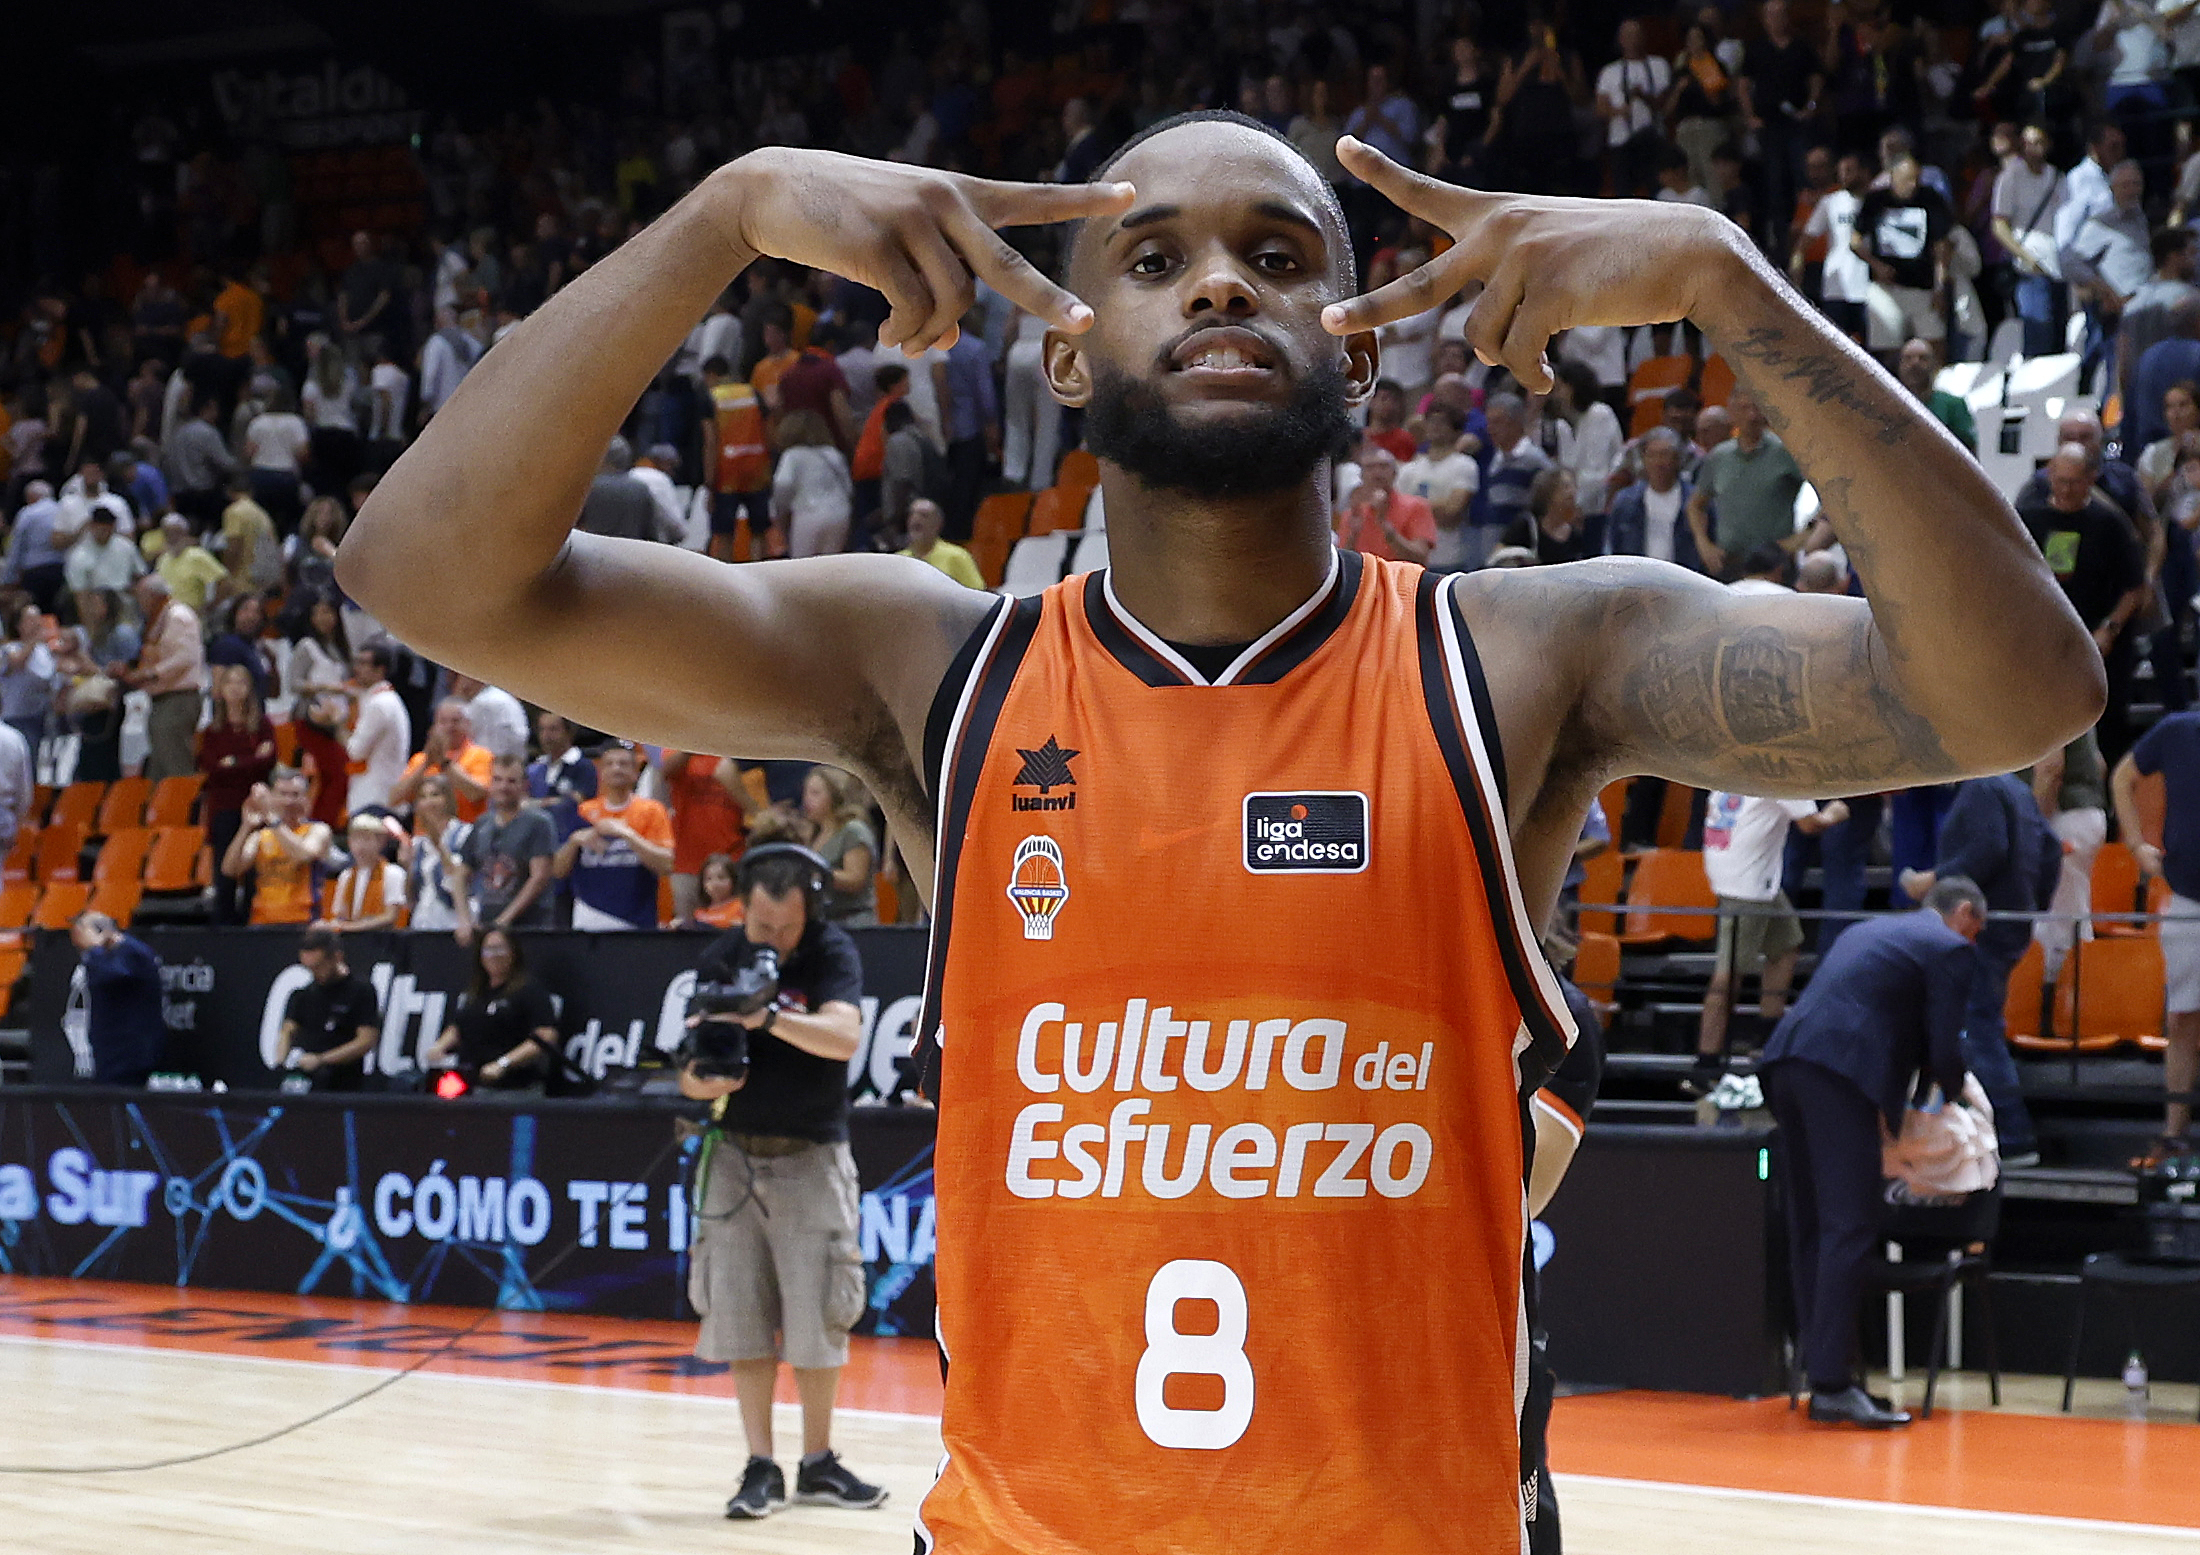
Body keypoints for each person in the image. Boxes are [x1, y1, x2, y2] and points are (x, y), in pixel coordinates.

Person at [335, 117, 2101, 1547]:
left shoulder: (1530, 653)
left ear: (1360, 330)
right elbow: (421, 572)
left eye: (1279, 252)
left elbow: (2017, 694)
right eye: (1155, 257)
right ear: (1073, 352)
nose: (1220, 287)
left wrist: (1733, 287)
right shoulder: (927, 667)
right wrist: (721, 215)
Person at [678, 845, 883, 1517]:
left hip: (811, 1154)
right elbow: (688, 1074)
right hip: (733, 1153)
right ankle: (759, 1463)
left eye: (784, 927)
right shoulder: (720, 957)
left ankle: (819, 1460)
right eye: (760, 925)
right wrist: (709, 1074)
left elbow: (844, 1036)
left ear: (811, 909)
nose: (770, 938)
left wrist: (765, 1016)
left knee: (820, 1309)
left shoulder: (830, 952)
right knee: (739, 1313)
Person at [1759, 877, 1986, 1429]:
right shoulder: (1949, 947)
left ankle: (1821, 1371)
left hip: (1785, 1061)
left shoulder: (1873, 929)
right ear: (1961, 914)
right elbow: (1941, 1044)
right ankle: (1833, 1385)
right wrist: (1960, 1097)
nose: (1973, 943)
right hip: (1838, 1073)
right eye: (1976, 930)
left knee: (1811, 1227)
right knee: (1851, 1225)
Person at [1900, 771, 2061, 1165]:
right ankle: (1993, 1132)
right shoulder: (2018, 789)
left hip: (1981, 926)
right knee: (1980, 1025)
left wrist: (1933, 881)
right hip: (2010, 921)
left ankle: (2013, 1135)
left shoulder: (1981, 788)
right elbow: (2052, 850)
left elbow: (1986, 849)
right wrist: (2032, 906)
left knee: (1978, 1027)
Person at [1691, 790, 1849, 1091]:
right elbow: (1810, 824)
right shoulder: (1779, 774)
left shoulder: (1733, 767)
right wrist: (1835, 813)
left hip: (1743, 875)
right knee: (1728, 976)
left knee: (1786, 944)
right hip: (1747, 886)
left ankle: (1768, 1036)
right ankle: (1706, 1063)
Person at [2015, 445, 2148, 764]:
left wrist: (2110, 628)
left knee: (2106, 724)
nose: (2064, 490)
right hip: (2045, 643)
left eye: (2073, 482)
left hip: (2097, 643)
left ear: (2091, 480)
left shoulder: (2110, 524)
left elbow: (2134, 587)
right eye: (2058, 481)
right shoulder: (2029, 518)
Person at [2115, 712, 2200, 1146]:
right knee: (2182, 1019)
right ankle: (2175, 1131)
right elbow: (2122, 777)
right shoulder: (2177, 730)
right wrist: (2135, 845)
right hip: (2188, 899)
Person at [1685, 388, 1810, 576]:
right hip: (1729, 565)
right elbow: (1695, 505)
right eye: (1744, 408)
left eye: (1757, 408)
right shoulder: (1719, 456)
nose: (1752, 416)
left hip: (1773, 567)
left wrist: (1803, 538)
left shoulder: (1786, 452)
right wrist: (1704, 544)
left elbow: (1828, 498)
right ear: (1732, 411)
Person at [556, 742, 675, 930]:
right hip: (589, 916)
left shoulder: (651, 811)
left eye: (623, 764)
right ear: (600, 772)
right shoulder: (583, 812)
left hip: (637, 919)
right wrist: (574, 841)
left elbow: (667, 864)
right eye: (609, 764)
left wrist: (628, 835)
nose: (616, 769)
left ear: (636, 772)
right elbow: (557, 871)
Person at [427, 927, 560, 1089]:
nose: (494, 956)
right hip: (470, 1082)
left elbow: (546, 1036)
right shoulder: (476, 994)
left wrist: (503, 1063)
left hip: (515, 1086)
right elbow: (458, 1026)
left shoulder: (530, 991)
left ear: (513, 953)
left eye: (500, 949)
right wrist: (439, 1046)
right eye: (488, 950)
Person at [198, 663, 279, 925]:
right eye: (229, 682)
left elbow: (267, 763)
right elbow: (211, 768)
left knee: (256, 868)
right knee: (225, 870)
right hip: (223, 806)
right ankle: (224, 927)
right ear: (220, 690)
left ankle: (252, 922)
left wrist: (233, 763)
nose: (235, 688)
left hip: (256, 804)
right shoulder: (213, 731)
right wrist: (250, 761)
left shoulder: (262, 726)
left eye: (241, 682)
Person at [460, 756, 559, 941]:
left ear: (524, 785)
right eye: (497, 780)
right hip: (488, 922)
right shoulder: (482, 823)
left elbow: (540, 877)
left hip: (530, 927)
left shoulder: (539, 822)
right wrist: (464, 919)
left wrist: (503, 921)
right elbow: (460, 873)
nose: (503, 787)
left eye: (511, 781)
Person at [222, 769, 334, 927]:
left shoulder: (318, 830)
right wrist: (245, 827)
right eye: (282, 794)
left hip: (303, 921)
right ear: (273, 797)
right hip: (263, 921)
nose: (288, 801)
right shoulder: (261, 836)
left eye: (295, 795)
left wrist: (273, 818)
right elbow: (230, 870)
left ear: (305, 798)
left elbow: (302, 855)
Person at [121, 573, 204, 782]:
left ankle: (184, 813)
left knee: (177, 768)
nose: (139, 604)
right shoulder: (159, 619)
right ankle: (160, 812)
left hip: (178, 699)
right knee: (159, 772)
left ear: (154, 596)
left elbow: (187, 656)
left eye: (141, 597)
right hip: (162, 700)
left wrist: (151, 673)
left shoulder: (178, 616)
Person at [276, 927, 380, 1091]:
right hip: (305, 1082)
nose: (314, 973)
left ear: (337, 957)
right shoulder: (302, 995)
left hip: (343, 1083)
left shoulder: (361, 990)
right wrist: (281, 1063)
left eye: (318, 967)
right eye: (308, 967)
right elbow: (287, 1031)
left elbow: (366, 1040)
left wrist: (322, 1059)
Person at [70, 911, 167, 1086]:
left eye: (82, 931)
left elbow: (111, 976)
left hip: (129, 1053)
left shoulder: (132, 952)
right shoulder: (110, 955)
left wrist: (94, 949)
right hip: (111, 1053)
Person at [665, 750, 751, 921]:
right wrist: (694, 744)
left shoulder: (740, 757)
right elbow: (665, 770)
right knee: (686, 930)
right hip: (686, 864)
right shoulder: (683, 751)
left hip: (731, 861)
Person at [390, 699, 494, 823]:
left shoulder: (482, 756)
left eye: (455, 721)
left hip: (467, 833)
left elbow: (476, 794)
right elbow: (394, 799)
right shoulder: (420, 760)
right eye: (443, 721)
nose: (450, 727)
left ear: (467, 724)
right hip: (425, 836)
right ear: (434, 726)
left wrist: (444, 763)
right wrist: (426, 764)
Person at [771, 410, 854, 558]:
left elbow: (782, 485)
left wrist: (780, 511)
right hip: (840, 512)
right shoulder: (832, 453)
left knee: (802, 565)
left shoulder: (792, 455)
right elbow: (848, 487)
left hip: (807, 512)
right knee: (830, 565)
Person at [1334, 445, 1435, 563]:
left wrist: (1384, 524)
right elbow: (1343, 563)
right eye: (1370, 468)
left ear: (1395, 473)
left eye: (1383, 466)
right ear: (1361, 476)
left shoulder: (1417, 506)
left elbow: (1420, 558)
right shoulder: (1352, 514)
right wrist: (1353, 535)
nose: (1377, 473)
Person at [402, 772, 472, 936]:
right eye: (423, 797)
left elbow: (459, 878)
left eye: (435, 795)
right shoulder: (418, 843)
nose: (429, 802)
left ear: (448, 798)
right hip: (422, 923)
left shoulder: (464, 834)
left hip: (453, 923)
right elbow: (410, 898)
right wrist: (407, 867)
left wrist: (439, 846)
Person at [346, 642, 411, 815]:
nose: (357, 668)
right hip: (380, 795)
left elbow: (355, 752)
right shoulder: (385, 699)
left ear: (380, 669)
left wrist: (337, 723)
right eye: (356, 662)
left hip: (374, 799)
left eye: (363, 663)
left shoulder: (379, 703)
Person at [319, 813, 407, 932]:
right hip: (351, 940)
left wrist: (353, 927)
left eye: (366, 839)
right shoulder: (346, 876)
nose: (361, 846)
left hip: (382, 941)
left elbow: (390, 917)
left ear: (381, 842)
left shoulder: (393, 873)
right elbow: (341, 915)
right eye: (356, 839)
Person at [1894, 337, 1975, 453]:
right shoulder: (1888, 404)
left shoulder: (1953, 405)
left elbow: (1969, 451)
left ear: (1934, 365)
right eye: (1908, 358)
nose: (1915, 363)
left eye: (1923, 358)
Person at [898, 498, 985, 588]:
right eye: (911, 514)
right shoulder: (899, 559)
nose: (915, 519)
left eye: (924, 515)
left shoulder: (957, 556)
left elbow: (977, 592)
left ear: (938, 523)